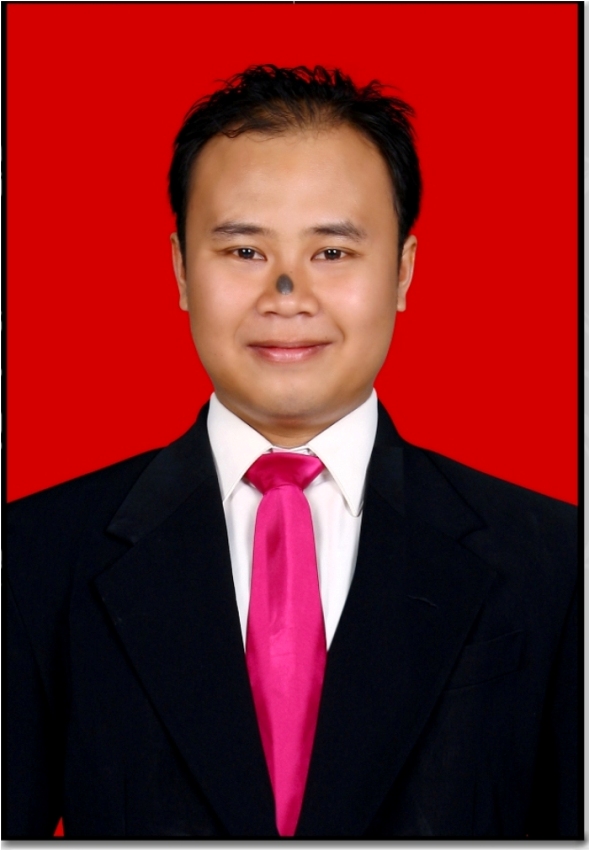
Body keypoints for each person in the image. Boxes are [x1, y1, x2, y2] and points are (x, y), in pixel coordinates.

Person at [5, 65, 578, 839]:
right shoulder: (32, 557)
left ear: (402, 271)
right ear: (180, 269)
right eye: (244, 251)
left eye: (331, 253)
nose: (287, 294)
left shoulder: (556, 563)